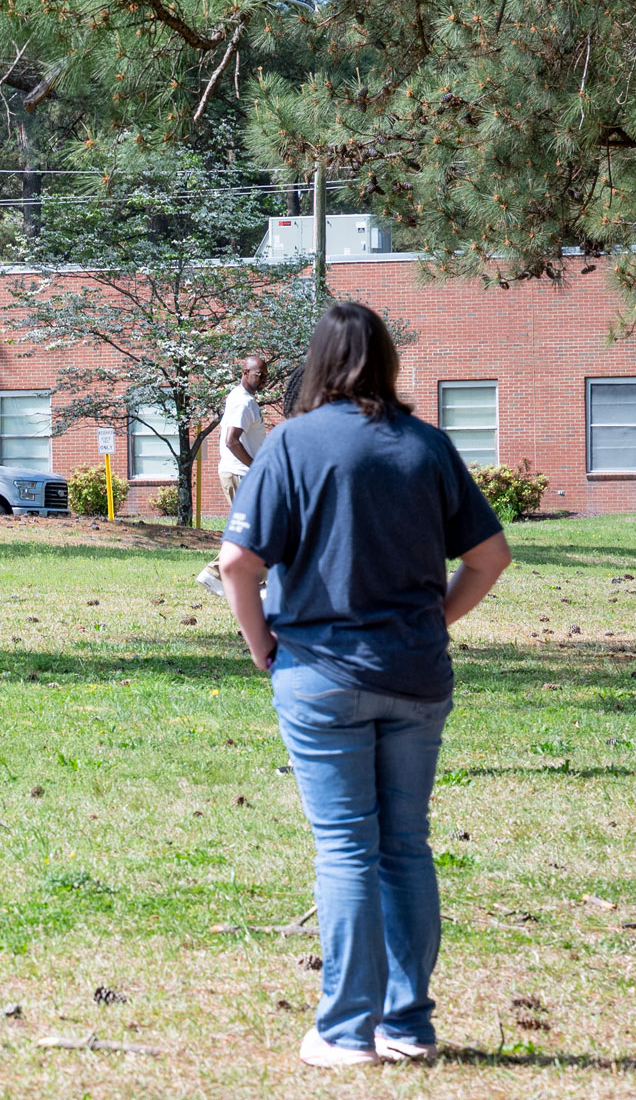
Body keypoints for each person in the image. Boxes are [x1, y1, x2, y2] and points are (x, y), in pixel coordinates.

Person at [214, 302, 510, 1069]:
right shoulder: (429, 445)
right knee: (405, 845)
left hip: (319, 673)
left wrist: (261, 644)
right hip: (415, 673)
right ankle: (407, 1024)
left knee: (347, 846)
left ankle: (346, 1030)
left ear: (316, 361)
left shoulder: (292, 443)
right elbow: (490, 557)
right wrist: (435, 620)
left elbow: (237, 563)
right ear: (387, 359)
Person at [197, 354, 269, 598]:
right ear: (245, 372)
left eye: (266, 375)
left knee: (255, 528)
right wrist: (255, 467)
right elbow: (231, 441)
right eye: (259, 374)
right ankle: (216, 574)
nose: (264, 379)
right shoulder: (242, 402)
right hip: (240, 473)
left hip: (241, 473)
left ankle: (251, 580)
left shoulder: (244, 399)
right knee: (251, 529)